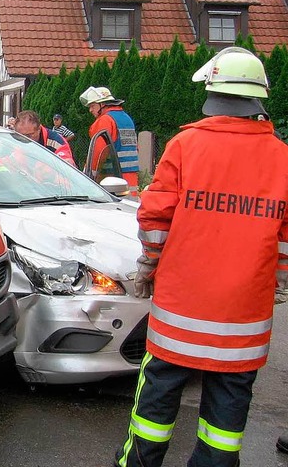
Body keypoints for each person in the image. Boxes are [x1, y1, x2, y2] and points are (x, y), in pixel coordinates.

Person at [113, 46, 288, 467]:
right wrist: (278, 280)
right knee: (226, 420)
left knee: (156, 399)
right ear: (257, 99)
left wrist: (147, 266)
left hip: (180, 311)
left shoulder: (185, 145)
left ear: (213, 93)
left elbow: (155, 219)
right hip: (244, 316)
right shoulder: (282, 158)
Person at [79, 86, 139, 195]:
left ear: (103, 104)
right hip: (130, 179)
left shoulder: (104, 120)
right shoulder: (126, 118)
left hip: (111, 180)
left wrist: (89, 175)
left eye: (92, 106)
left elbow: (98, 152)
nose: (90, 110)